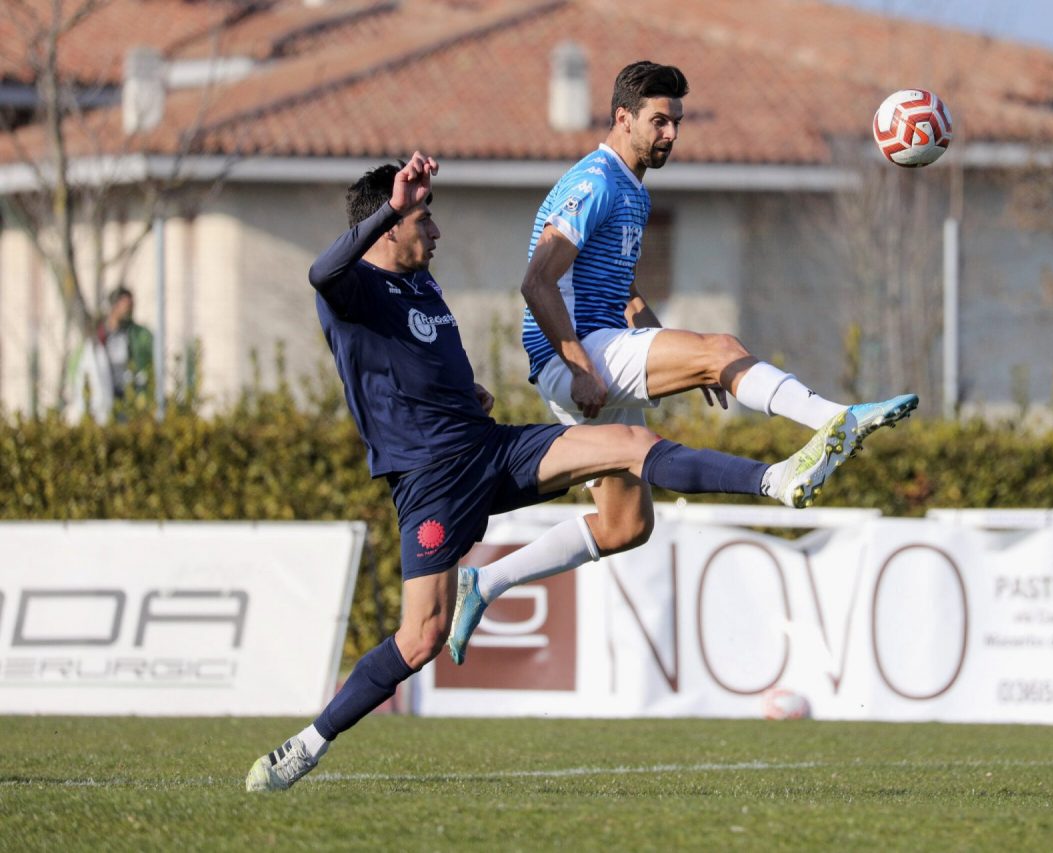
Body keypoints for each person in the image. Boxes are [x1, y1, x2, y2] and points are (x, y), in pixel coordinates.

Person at [245, 153, 864, 792]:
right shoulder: (352, 291)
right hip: (431, 483)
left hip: (489, 448)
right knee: (419, 637)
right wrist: (392, 205)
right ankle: (308, 744)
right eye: (423, 219)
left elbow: (412, 364)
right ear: (390, 225)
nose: (435, 232)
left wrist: (470, 393)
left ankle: (776, 480)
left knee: (628, 442)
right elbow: (321, 271)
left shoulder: (421, 284)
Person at [445, 61, 918, 665]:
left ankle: (486, 583)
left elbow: (617, 281)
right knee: (720, 346)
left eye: (677, 123)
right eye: (659, 121)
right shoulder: (594, 182)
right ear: (623, 118)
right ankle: (839, 418)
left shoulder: (632, 188)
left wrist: (667, 345)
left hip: (585, 358)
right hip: (577, 354)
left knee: (624, 526)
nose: (671, 134)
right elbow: (537, 282)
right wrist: (593, 365)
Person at [64, 286, 155, 423]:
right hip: (102, 398)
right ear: (115, 306)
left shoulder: (138, 335)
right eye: (126, 305)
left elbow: (146, 366)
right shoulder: (97, 336)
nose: (130, 310)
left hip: (128, 399)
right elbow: (77, 367)